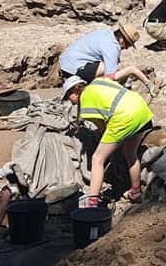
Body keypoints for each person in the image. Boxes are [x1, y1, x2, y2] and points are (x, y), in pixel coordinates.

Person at [62, 74, 155, 205]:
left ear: (75, 91)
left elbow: (104, 129)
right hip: (141, 109)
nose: (69, 101)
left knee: (97, 159)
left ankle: (92, 202)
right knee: (130, 154)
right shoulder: (98, 81)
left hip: (124, 117)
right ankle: (136, 193)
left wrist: (110, 153)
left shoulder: (86, 105)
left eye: (68, 96)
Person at [59, 17, 152, 88]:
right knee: (111, 70)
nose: (127, 48)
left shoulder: (107, 33)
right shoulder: (112, 47)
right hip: (74, 68)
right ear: (122, 40)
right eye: (128, 45)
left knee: (114, 66)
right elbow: (110, 76)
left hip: (67, 63)